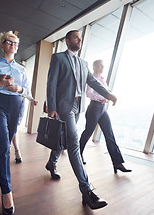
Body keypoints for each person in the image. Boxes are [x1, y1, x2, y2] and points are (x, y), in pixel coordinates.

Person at [45, 30, 117, 210]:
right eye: (76, 37)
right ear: (67, 41)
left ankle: (51, 163)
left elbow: (93, 82)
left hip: (78, 107)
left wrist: (108, 94)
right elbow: (51, 83)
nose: (80, 40)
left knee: (63, 138)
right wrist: (52, 107)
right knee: (73, 144)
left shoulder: (84, 64)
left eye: (81, 38)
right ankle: (87, 191)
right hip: (63, 106)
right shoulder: (59, 58)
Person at [0, 31, 37, 215]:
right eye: (9, 42)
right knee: (3, 144)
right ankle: (7, 192)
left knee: (5, 143)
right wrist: (0, 84)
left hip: (16, 105)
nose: (13, 45)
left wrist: (20, 89)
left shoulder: (21, 68)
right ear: (2, 45)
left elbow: (26, 89)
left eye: (16, 43)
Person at [79, 60, 131, 174]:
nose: (102, 68)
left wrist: (106, 98)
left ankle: (117, 163)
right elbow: (89, 93)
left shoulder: (102, 79)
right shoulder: (92, 78)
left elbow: (105, 92)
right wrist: (101, 97)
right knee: (88, 132)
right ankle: (79, 154)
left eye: (103, 66)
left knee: (109, 135)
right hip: (94, 108)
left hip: (102, 109)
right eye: (100, 66)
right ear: (95, 67)